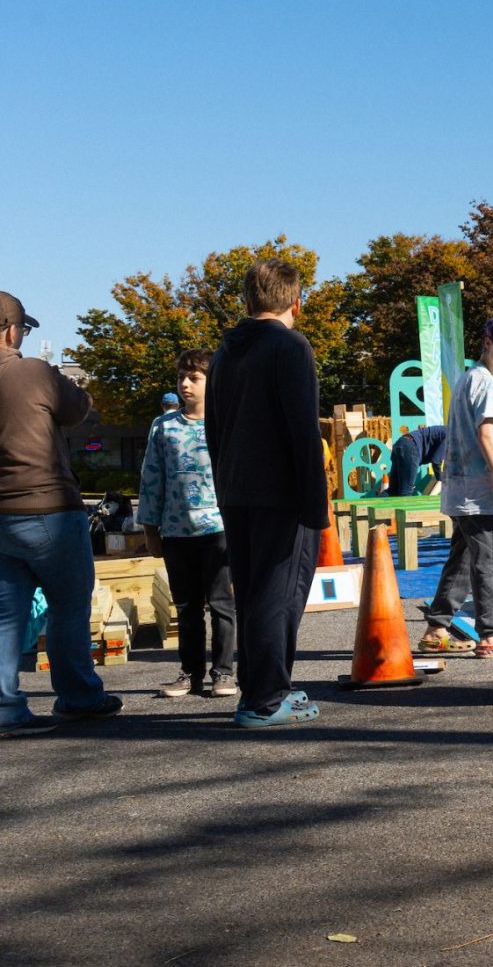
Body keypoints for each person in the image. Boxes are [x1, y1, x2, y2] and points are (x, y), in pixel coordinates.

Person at [206, 262, 330, 729]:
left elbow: (213, 428)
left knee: (255, 593)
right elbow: (302, 429)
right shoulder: (290, 346)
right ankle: (265, 697)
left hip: (236, 489)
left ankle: (260, 688)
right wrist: (316, 506)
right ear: (296, 301)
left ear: (248, 301)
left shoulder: (225, 352)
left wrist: (224, 485)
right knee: (280, 594)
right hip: (283, 491)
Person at [0, 290, 121, 737]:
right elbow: (78, 411)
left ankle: (6, 708)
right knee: (67, 608)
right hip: (48, 507)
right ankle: (78, 698)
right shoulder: (33, 372)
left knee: (6, 615)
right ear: (13, 331)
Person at [419, 317, 493, 658]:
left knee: (464, 560)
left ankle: (437, 628)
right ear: (486, 343)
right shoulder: (487, 384)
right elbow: (485, 436)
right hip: (481, 493)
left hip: (461, 489)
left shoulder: (467, 379)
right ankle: (490, 636)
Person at [139, 348, 236, 700]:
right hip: (177, 533)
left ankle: (223, 673)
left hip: (218, 530)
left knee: (222, 605)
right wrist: (150, 529)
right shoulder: (163, 427)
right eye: (181, 376)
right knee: (187, 608)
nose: (185, 384)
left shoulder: (225, 422)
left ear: (212, 382)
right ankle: (190, 673)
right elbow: (152, 479)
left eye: (194, 377)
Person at [385, 424, 447, 497]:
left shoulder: (447, 430)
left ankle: (371, 506)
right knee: (406, 492)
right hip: (410, 447)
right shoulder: (451, 435)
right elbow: (436, 461)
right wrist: (441, 478)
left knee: (392, 491)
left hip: (401, 443)